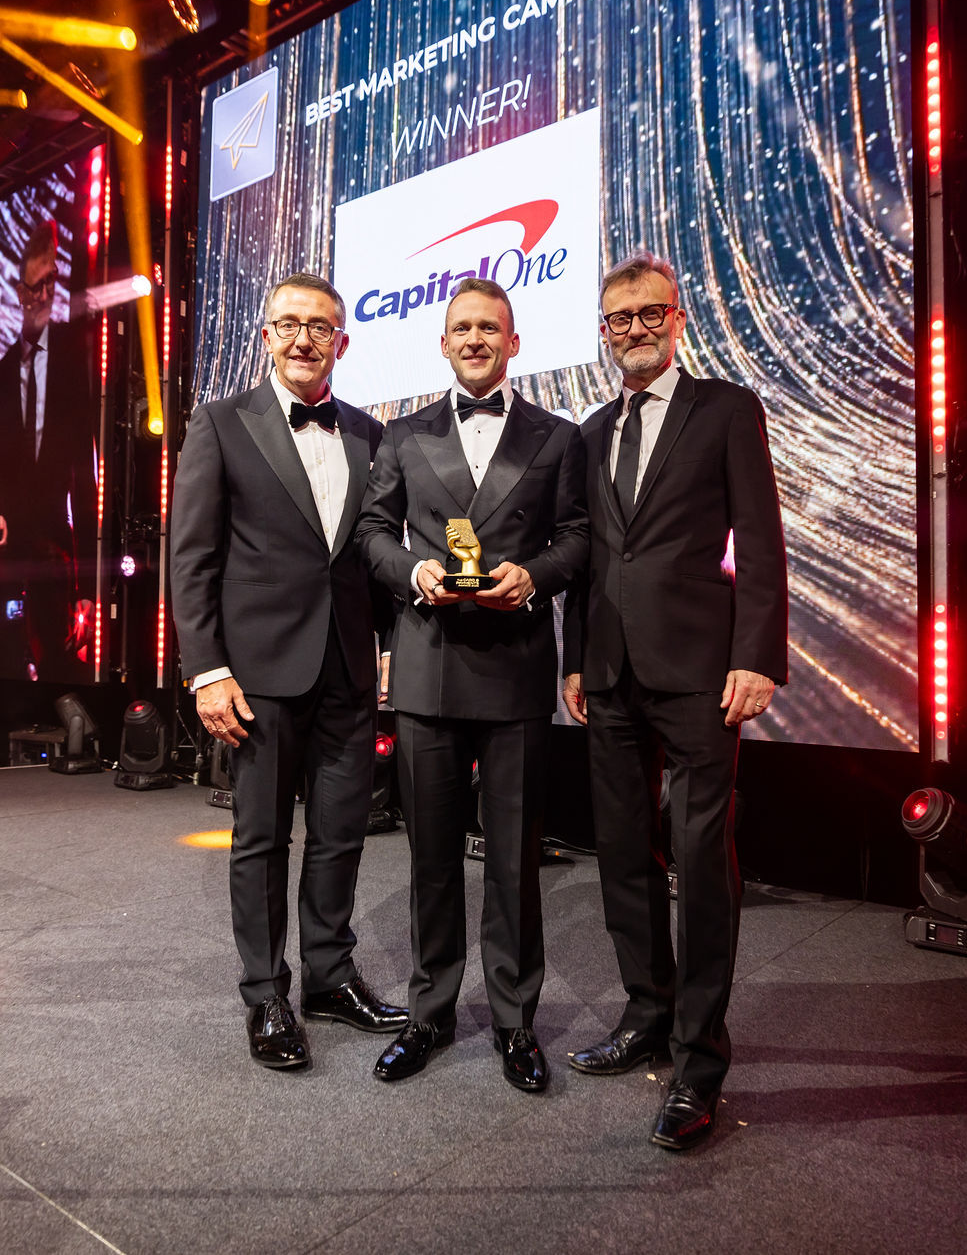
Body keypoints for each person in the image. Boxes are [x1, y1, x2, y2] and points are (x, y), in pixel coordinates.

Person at [562, 250, 787, 1150]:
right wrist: (575, 661)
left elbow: (761, 540)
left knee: (699, 860)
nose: (634, 330)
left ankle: (699, 1062)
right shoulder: (589, 432)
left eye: (649, 313)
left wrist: (757, 657)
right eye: (619, 319)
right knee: (622, 853)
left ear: (678, 317)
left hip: (701, 671)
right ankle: (646, 1016)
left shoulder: (725, 409)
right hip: (608, 672)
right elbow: (590, 557)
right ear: (604, 332)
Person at [170, 272, 407, 1070]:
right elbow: (192, 558)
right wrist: (207, 669)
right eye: (290, 324)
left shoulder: (372, 434)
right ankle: (266, 993)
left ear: (343, 341)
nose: (305, 338)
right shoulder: (220, 422)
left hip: (348, 671)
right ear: (267, 335)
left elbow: (370, 557)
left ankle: (329, 979)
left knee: (341, 835)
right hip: (259, 674)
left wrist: (389, 649)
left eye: (321, 326)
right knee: (262, 839)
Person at [356, 277, 588, 1092]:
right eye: (462, 328)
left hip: (515, 667)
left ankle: (517, 1022)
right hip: (428, 666)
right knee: (431, 860)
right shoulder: (403, 434)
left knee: (515, 861)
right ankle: (429, 1014)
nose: (476, 339)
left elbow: (578, 539)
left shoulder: (559, 437)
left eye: (490, 327)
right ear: (444, 343)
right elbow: (373, 532)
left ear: (513, 342)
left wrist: (535, 576)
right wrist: (413, 573)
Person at [0, 220, 95, 679]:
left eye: (50, 283)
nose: (42, 296)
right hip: (8, 545)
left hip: (56, 547)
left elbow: (86, 476)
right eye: (34, 286)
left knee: (57, 664)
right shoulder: (3, 371)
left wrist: (89, 586)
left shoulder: (72, 362)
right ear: (20, 292)